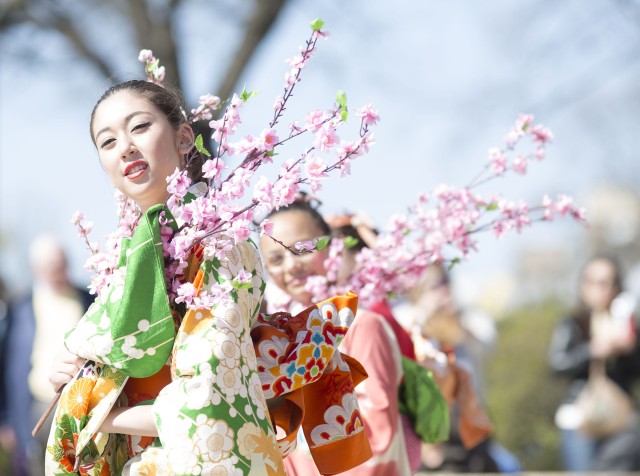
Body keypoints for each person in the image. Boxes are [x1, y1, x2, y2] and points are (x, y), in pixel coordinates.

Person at [260, 198, 412, 475]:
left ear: (332, 246)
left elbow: (377, 436)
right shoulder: (277, 340)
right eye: (276, 258)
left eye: (303, 249)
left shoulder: (365, 326)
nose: (291, 265)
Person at [4, 236, 92, 476]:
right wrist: (5, 419)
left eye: (62, 264)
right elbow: (6, 363)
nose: (60, 271)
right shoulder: (20, 307)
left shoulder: (89, 300)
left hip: (80, 403)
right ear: (37, 269)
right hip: (35, 404)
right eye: (52, 267)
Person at [548, 255, 640, 472]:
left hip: (620, 418)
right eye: (595, 282)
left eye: (608, 282)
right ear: (583, 285)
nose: (603, 289)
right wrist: (592, 351)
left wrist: (628, 349)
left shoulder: (626, 324)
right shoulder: (573, 323)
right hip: (581, 416)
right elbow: (557, 364)